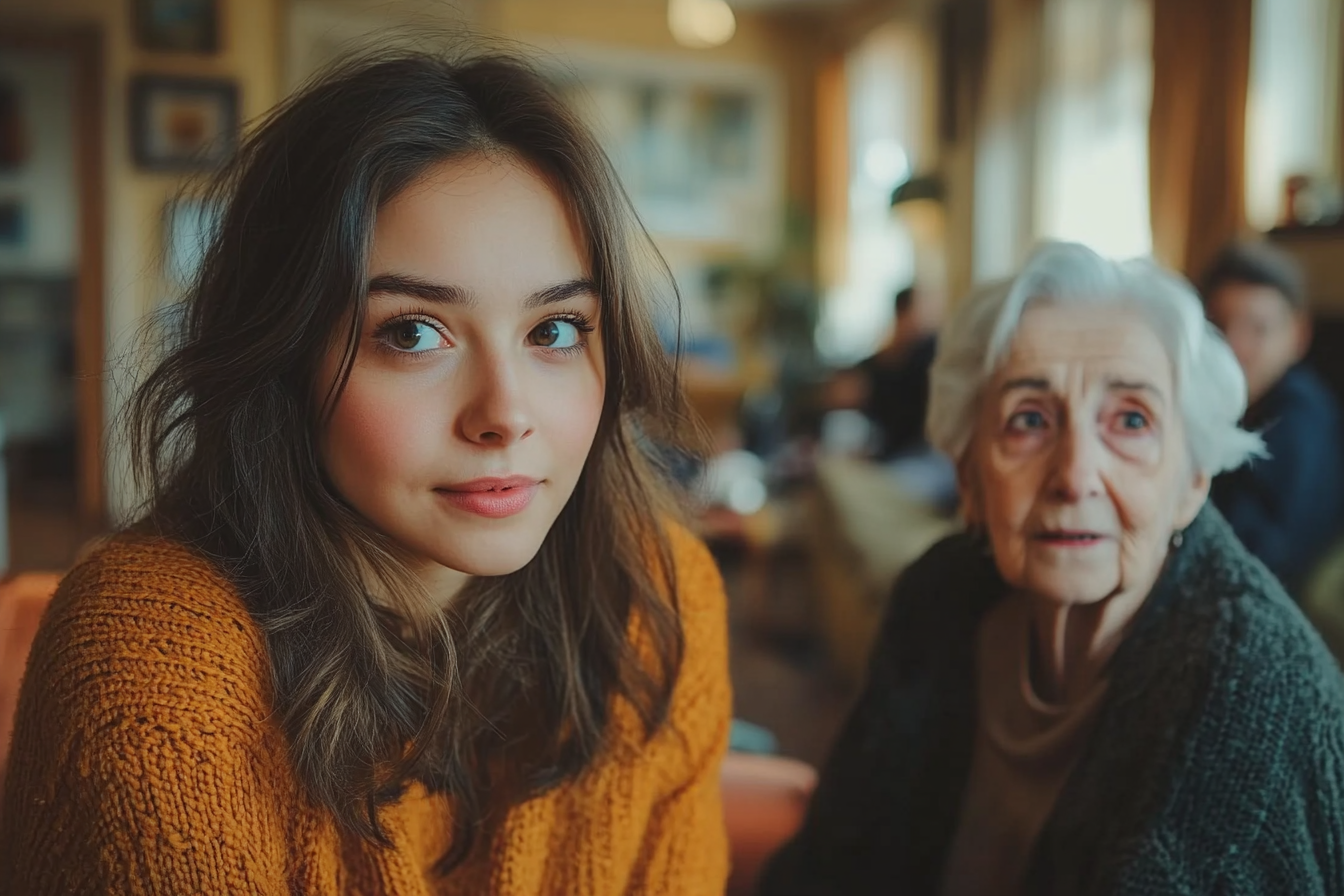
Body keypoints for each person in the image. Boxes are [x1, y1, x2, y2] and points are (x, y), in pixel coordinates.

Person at [0, 49, 732, 895]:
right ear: (282, 358)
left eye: (556, 329)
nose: (506, 413)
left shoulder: (657, 597)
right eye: (413, 332)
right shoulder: (154, 672)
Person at [759, 242, 1344, 895]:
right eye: (1029, 420)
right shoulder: (940, 595)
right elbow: (829, 863)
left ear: (1192, 483)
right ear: (970, 479)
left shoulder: (1257, 698)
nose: (1074, 476)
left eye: (1130, 420)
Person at [1201, 240, 1344, 595]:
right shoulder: (1223, 407)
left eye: (1259, 329)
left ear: (1298, 335)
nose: (1236, 348)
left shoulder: (1299, 420)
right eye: (1219, 327)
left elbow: (1253, 557)